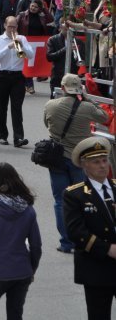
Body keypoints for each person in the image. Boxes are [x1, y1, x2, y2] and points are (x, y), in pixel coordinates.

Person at [42, 73, 108, 253]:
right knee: (83, 198)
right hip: (80, 159)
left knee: (60, 200)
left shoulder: (51, 105)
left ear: (62, 88)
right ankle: (83, 240)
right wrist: (87, 98)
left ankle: (66, 242)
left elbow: (46, 123)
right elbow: (104, 117)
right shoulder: (87, 107)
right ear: (79, 88)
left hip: (57, 157)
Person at [0, 162, 42, 320]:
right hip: (21, 271)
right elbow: (36, 245)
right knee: (15, 314)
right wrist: (31, 268)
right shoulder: (28, 210)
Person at [64, 136, 116, 319]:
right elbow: (76, 232)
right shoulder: (75, 194)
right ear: (84, 165)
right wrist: (108, 249)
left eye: (104, 160)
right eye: (96, 162)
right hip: (97, 269)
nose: (103, 165)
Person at [0, 16, 35, 147]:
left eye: (15, 26)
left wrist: (20, 44)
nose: (12, 29)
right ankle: (3, 135)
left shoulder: (22, 38)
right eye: (10, 26)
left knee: (17, 107)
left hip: (17, 76)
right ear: (5, 26)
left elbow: (29, 55)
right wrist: (9, 46)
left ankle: (19, 138)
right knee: (2, 106)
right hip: (2, 76)